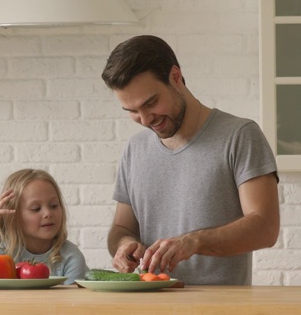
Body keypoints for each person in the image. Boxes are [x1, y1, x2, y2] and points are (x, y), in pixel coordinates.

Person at [101, 35, 280, 285]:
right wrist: (124, 244)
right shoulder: (135, 150)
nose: (144, 119)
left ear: (175, 77)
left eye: (150, 103)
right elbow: (122, 227)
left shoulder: (239, 136)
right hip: (149, 310)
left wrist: (193, 242)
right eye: (132, 111)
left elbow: (265, 229)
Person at [0, 169, 88, 284]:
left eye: (54, 205)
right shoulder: (3, 254)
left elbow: (74, 301)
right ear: (13, 216)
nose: (48, 213)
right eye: (36, 208)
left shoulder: (71, 256)